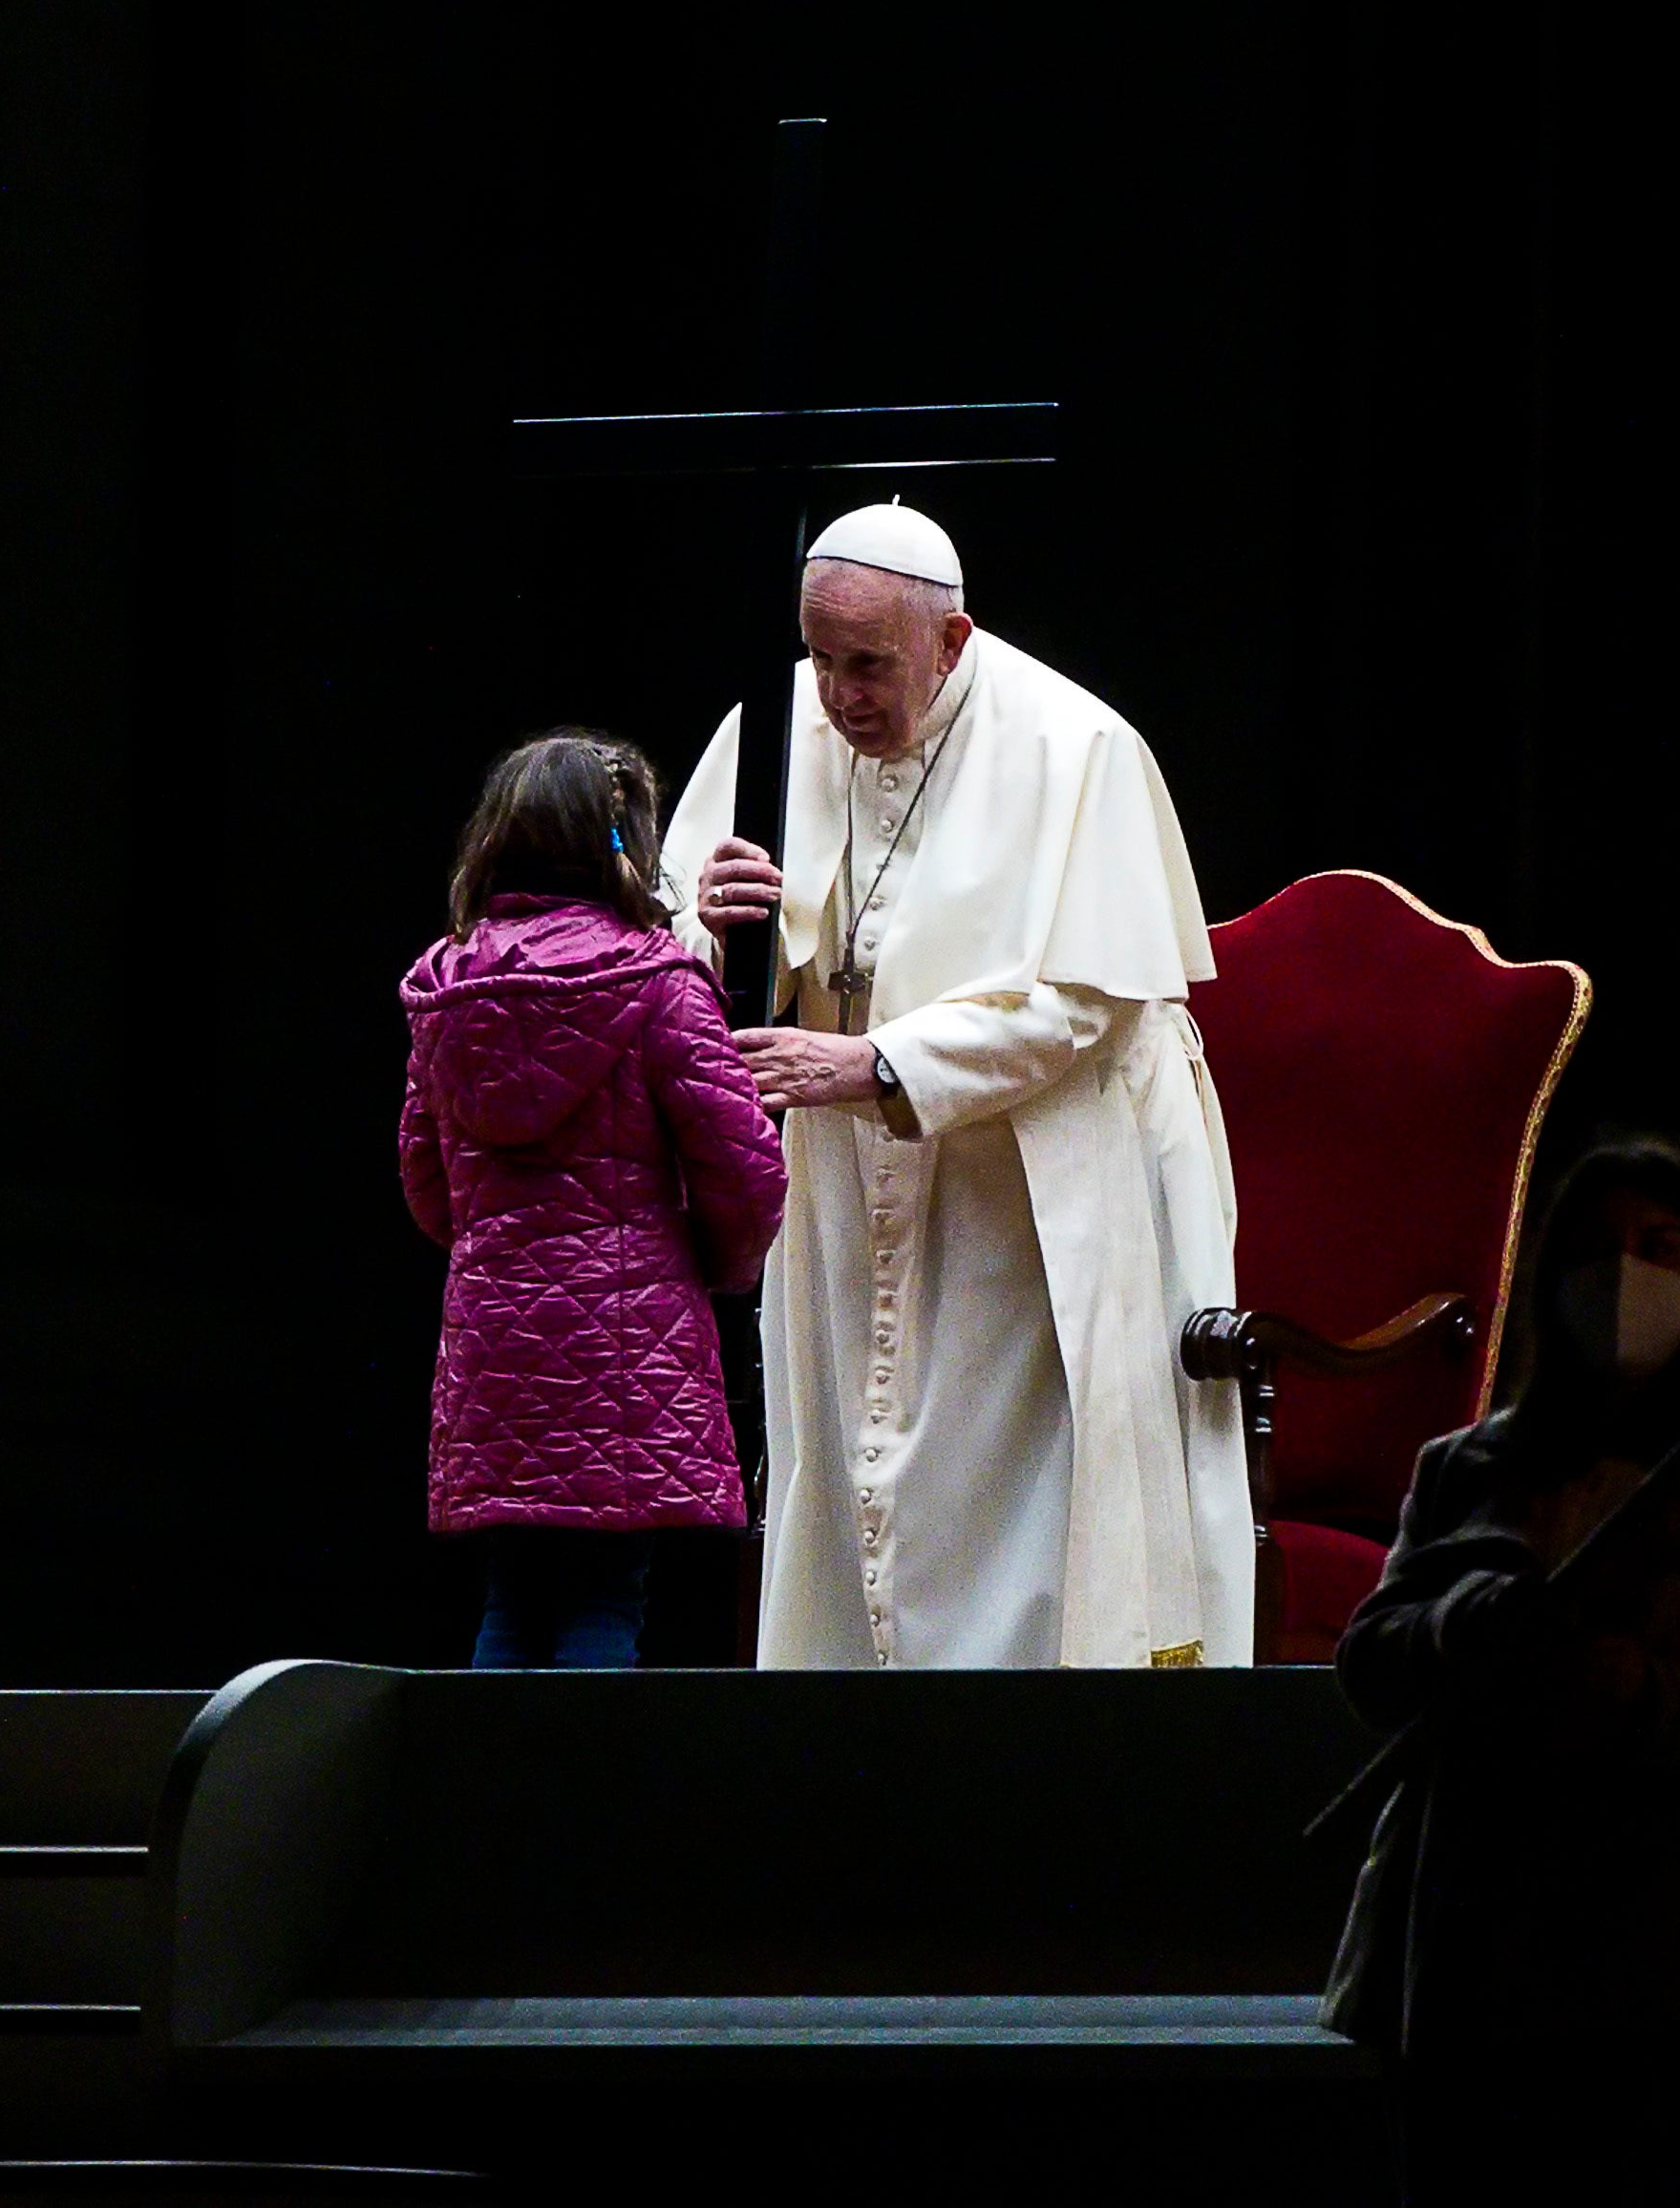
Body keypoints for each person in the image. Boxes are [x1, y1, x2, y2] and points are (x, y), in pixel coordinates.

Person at [662, 501, 1246, 1670]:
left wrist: (881, 1061)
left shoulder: (1073, 747)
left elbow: (1084, 1004)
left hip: (1031, 1177)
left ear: (950, 636)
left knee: (1016, 1510)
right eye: (819, 658)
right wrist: (702, 918)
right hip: (842, 1177)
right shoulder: (778, 728)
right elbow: (679, 945)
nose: (835, 695)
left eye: (868, 663)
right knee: (849, 1492)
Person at [1323, 1140, 1680, 2208]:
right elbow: (1371, 1657)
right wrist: (1461, 1626)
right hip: (1462, 1965)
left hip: (1669, 1974)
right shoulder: (1467, 1464)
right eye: (1592, 1249)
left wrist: (1628, 1687)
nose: (1623, 1274)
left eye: (1656, 1247)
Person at [401, 733, 788, 1667]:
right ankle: (576, 1811)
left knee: (513, 1591)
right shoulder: (658, 983)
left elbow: (423, 1183)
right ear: (625, 844)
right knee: (606, 1593)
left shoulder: (446, 990)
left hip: (492, 1339)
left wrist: (504, 1247)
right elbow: (745, 1171)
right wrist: (718, 1271)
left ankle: (492, 1807)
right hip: (630, 1336)